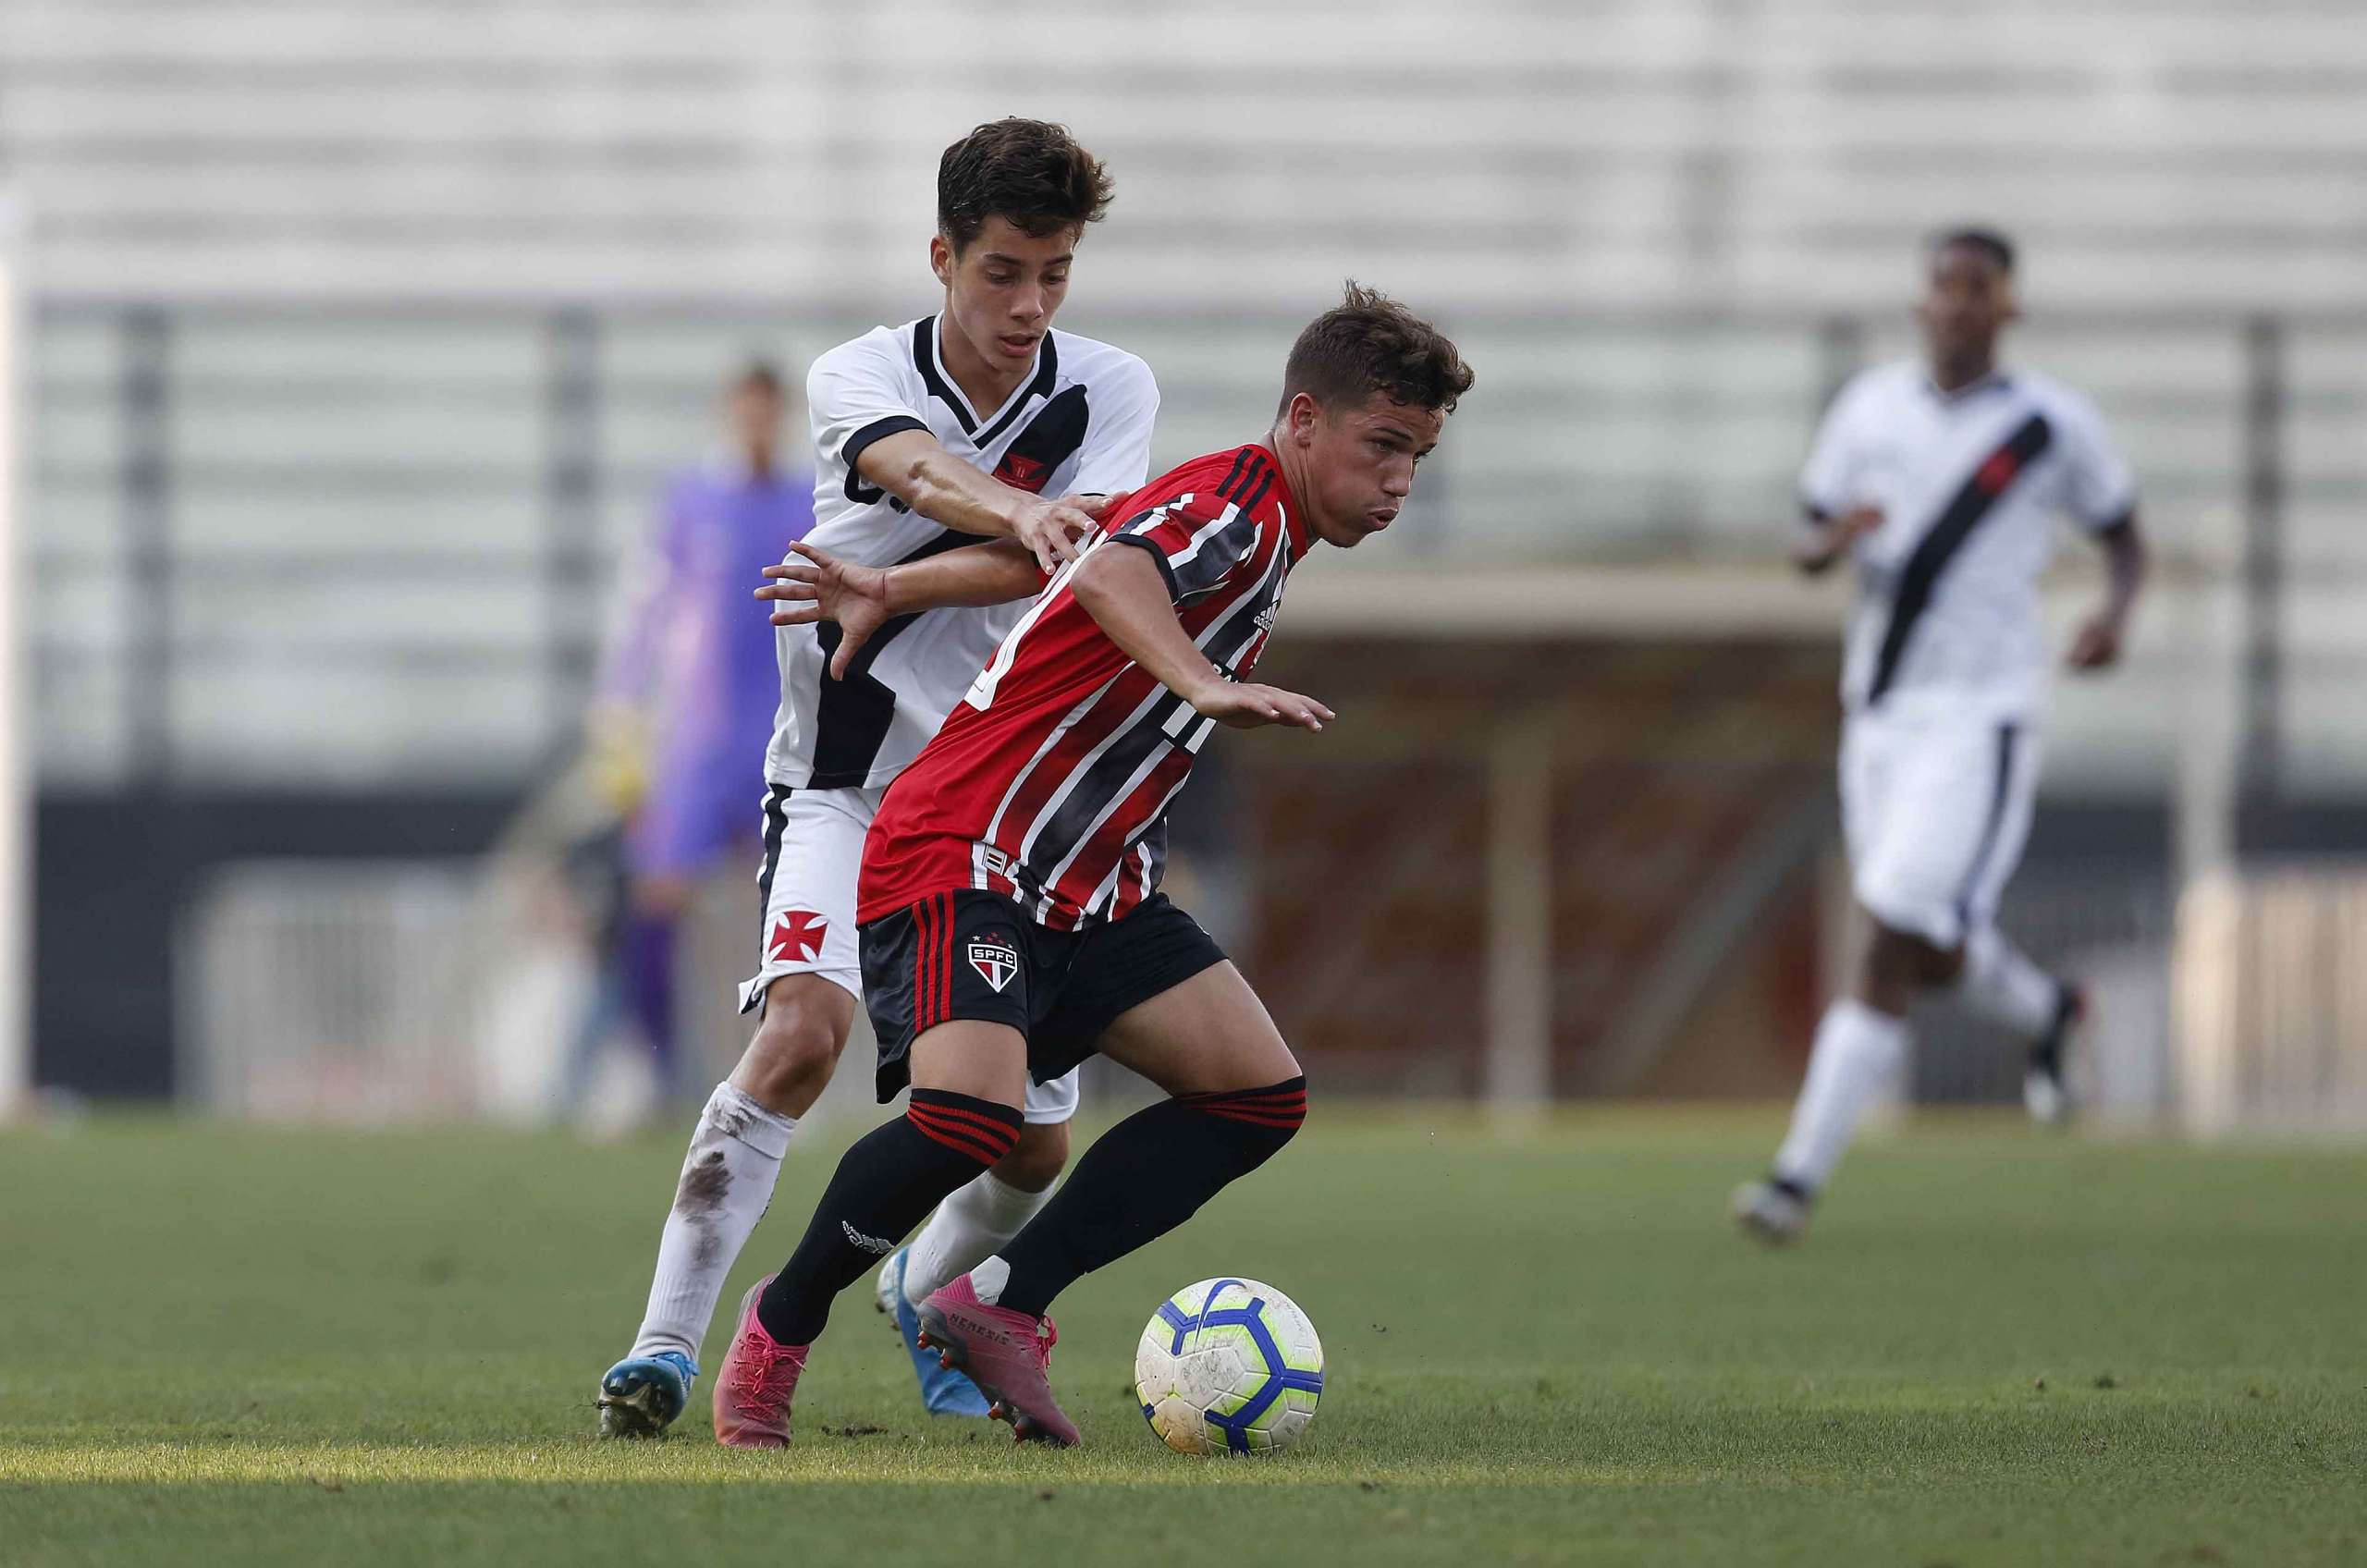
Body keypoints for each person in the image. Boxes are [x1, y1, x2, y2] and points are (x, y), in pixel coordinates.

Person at [712, 282, 1473, 1448]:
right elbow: (1111, 571)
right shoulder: (1240, 502)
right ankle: (776, 1328)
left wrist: (902, 587)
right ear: (1305, 419)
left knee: (1258, 1096)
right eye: (1382, 446)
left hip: (1089, 878)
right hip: (965, 842)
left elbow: (1064, 585)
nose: (1398, 481)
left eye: (1415, 457)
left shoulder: (1270, 532)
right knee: (970, 1120)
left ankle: (998, 1301)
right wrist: (1204, 683)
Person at [596, 118, 1159, 1437]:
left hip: (1009, 810)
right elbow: (908, 464)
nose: (1030, 305)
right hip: (845, 780)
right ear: (942, 258)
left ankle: (925, 1286)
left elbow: (1077, 561)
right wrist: (1020, 510)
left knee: (1026, 1139)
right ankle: (664, 1349)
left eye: (1056, 274)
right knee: (799, 1037)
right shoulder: (856, 370)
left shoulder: (1112, 387)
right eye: (1003, 271)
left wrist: (922, 572)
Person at [1732, 228, 2148, 1245]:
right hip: (1877, 714)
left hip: (1981, 716)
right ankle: (2050, 1009)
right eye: (1944, 287)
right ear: (1922, 303)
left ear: (2006, 307)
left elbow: (2123, 533)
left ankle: (1794, 1180)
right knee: (1922, 939)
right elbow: (1803, 539)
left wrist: (2113, 614)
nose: (1958, 304)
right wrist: (1831, 541)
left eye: (1979, 289)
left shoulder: (2049, 424)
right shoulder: (1867, 409)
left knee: (1888, 928)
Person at [563, 362, 815, 1119]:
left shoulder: (809, 500)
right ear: (726, 414)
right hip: (698, 741)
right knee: (657, 900)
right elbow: (644, 611)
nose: (756, 423)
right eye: (744, 409)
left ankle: (783, 1086)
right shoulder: (689, 503)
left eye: (767, 410)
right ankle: (654, 1071)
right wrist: (618, 716)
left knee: (794, 912)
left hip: (785, 733)